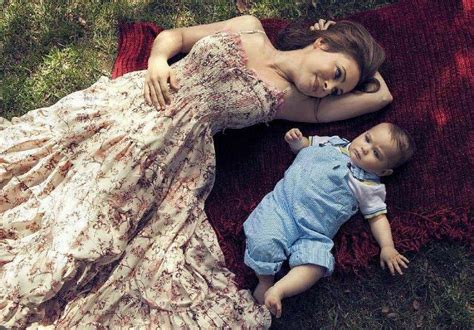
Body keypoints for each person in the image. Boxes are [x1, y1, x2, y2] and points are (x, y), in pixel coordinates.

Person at [0, 16, 391, 328]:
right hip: (133, 101)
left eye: (337, 89)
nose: (327, 87)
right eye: (336, 73)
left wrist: (363, 73)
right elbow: (176, 36)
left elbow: (382, 96)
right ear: (321, 43)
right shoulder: (249, 29)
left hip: (169, 150)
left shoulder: (296, 103)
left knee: (88, 221)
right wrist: (156, 60)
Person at [244, 123, 415, 318]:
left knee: (317, 264)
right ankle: (265, 280)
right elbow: (304, 146)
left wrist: (387, 246)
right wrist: (296, 141)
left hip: (315, 233)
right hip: (283, 208)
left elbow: (377, 217)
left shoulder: (369, 186)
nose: (365, 148)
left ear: (384, 172)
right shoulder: (333, 142)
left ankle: (280, 290)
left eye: (376, 154)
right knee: (263, 240)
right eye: (367, 139)